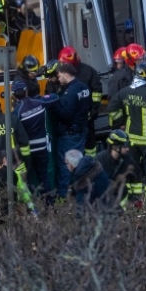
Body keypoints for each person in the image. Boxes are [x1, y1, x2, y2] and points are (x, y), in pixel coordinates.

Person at [107, 61, 146, 203]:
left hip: (131, 139)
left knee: (133, 168)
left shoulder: (124, 92)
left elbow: (111, 109)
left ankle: (134, 197)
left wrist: (120, 122)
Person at [49, 62, 92, 199]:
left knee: (66, 164)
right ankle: (79, 191)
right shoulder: (85, 88)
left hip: (69, 134)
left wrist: (54, 103)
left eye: (59, 75)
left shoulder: (70, 92)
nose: (58, 78)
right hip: (81, 131)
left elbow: (65, 114)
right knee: (78, 162)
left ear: (66, 75)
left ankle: (63, 196)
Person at [9, 81, 56, 193]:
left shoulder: (17, 112)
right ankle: (49, 201)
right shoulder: (39, 102)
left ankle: (34, 202)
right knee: (43, 176)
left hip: (28, 151)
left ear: (14, 96)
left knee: (28, 179)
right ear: (26, 91)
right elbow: (55, 97)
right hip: (42, 147)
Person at [96, 129, 140, 205]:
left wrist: (135, 197)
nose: (128, 149)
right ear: (116, 147)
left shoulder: (128, 160)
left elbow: (137, 176)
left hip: (121, 203)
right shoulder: (100, 160)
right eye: (124, 146)